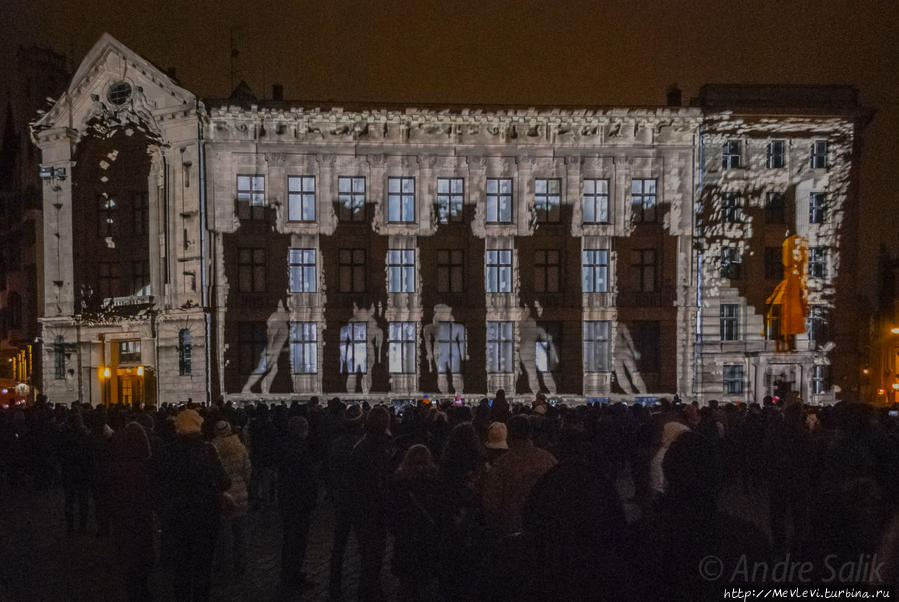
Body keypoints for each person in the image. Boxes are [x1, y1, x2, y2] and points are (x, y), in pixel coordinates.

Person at [153, 408, 231, 602]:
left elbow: (159, 482)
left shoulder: (167, 451)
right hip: (206, 515)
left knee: (182, 566)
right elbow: (224, 481)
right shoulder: (207, 450)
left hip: (179, 516)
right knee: (203, 566)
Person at [348, 406, 396, 602]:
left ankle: (370, 591)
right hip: (373, 510)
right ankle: (369, 593)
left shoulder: (361, 446)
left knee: (370, 555)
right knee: (373, 557)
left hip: (363, 508)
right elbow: (380, 482)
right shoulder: (377, 448)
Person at [483, 414, 557, 537]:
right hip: (545, 531)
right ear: (530, 434)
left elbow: (491, 506)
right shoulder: (549, 460)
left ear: (509, 436)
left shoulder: (501, 465)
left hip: (511, 534)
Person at [388, 444, 442, 602]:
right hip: (425, 535)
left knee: (406, 579)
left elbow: (393, 510)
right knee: (423, 576)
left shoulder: (399, 480)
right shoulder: (433, 480)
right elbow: (438, 509)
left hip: (406, 536)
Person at [109, 422, 154, 602]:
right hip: (142, 517)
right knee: (143, 555)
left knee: (130, 555)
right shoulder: (146, 466)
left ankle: (133, 588)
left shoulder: (116, 466)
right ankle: (142, 588)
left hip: (124, 517)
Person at [327, 403, 364, 601]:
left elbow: (331, 471)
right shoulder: (361, 444)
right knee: (363, 545)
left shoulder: (336, 443)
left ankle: (334, 584)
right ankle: (366, 586)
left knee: (339, 544)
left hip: (342, 498)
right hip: (358, 500)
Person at [277, 416, 318, 588]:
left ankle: (290, 573)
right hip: (299, 503)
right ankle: (292, 576)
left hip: (288, 500)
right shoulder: (301, 451)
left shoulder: (285, 447)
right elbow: (307, 480)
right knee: (297, 542)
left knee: (290, 541)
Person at [212, 419, 252, 575]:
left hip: (222, 494)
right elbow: (247, 470)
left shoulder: (213, 448)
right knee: (240, 531)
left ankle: (223, 564)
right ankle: (241, 563)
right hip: (239, 491)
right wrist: (244, 485)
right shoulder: (240, 446)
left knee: (223, 532)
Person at [59, 411, 92, 535]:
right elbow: (89, 454)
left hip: (69, 472)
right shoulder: (86, 435)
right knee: (83, 500)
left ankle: (70, 526)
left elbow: (60, 453)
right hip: (83, 472)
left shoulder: (64, 435)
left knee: (69, 500)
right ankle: (82, 526)